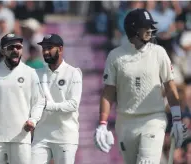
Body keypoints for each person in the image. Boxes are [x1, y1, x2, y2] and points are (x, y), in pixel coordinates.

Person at [94, 8, 188, 164]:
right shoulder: (115, 56)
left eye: (151, 26)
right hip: (126, 122)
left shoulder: (159, 53)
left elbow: (170, 89)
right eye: (145, 27)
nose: (150, 30)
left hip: (153, 119)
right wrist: (102, 124)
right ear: (133, 29)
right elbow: (108, 92)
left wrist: (177, 119)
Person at [0, 33, 46, 164]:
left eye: (18, 47)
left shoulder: (30, 73)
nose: (15, 50)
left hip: (21, 137)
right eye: (11, 47)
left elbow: (39, 102)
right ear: (3, 50)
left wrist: (33, 120)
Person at [31, 34, 82, 164]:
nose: (46, 52)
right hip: (41, 136)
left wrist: (48, 106)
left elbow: (73, 105)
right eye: (43, 48)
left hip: (65, 136)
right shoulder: (37, 74)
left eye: (49, 48)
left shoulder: (73, 73)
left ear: (60, 49)